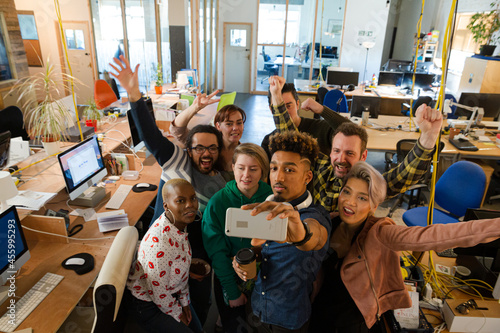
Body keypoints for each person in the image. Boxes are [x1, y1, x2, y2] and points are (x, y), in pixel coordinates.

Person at [310, 161, 500, 333]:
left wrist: (495, 226)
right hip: (315, 312)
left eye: (362, 198)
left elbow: (434, 236)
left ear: (374, 206)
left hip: (350, 323)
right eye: (347, 191)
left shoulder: (380, 233)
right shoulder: (329, 221)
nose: (350, 202)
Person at [110, 55, 224, 326]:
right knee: (174, 313)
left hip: (194, 252)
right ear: (189, 149)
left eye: (212, 148)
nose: (205, 154)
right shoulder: (177, 161)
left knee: (198, 305)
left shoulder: (221, 179)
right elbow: (151, 136)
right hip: (162, 259)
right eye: (199, 148)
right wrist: (135, 95)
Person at [267, 75, 443, 213]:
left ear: (363, 156)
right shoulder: (322, 168)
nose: (340, 159)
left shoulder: (368, 183)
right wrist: (276, 96)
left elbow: (402, 176)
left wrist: (428, 138)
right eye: (336, 151)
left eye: (350, 153)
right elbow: (290, 140)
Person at [233, 131, 332, 332]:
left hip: (288, 321)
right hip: (257, 309)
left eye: (289, 170)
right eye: (274, 168)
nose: (278, 177)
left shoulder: (316, 216)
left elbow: (314, 237)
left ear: (307, 176)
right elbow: (268, 254)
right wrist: (247, 260)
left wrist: (302, 234)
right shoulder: (267, 207)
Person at [202, 143, 273, 333]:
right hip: (230, 278)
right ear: (232, 167)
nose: (246, 175)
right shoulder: (217, 203)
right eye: (241, 168)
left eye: (253, 169)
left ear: (263, 171)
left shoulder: (273, 199)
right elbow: (218, 254)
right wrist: (233, 292)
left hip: (266, 278)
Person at [124, 178, 203, 333]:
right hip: (149, 305)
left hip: (170, 294)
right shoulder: (160, 244)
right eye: (180, 200)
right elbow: (158, 293)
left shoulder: (178, 225)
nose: (190, 205)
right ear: (166, 206)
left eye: (193, 198)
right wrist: (177, 313)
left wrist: (185, 302)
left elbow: (182, 269)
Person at [261, 79, 350, 159]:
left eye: (288, 106)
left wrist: (322, 110)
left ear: (297, 104)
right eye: (281, 107)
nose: (285, 112)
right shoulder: (268, 141)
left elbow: (353, 132)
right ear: (271, 109)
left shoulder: (322, 129)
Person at [171, 98, 247, 180]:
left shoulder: (246, 153)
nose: (235, 128)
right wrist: (194, 108)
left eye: (239, 123)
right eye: (229, 124)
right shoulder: (205, 143)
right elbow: (177, 130)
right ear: (218, 126)